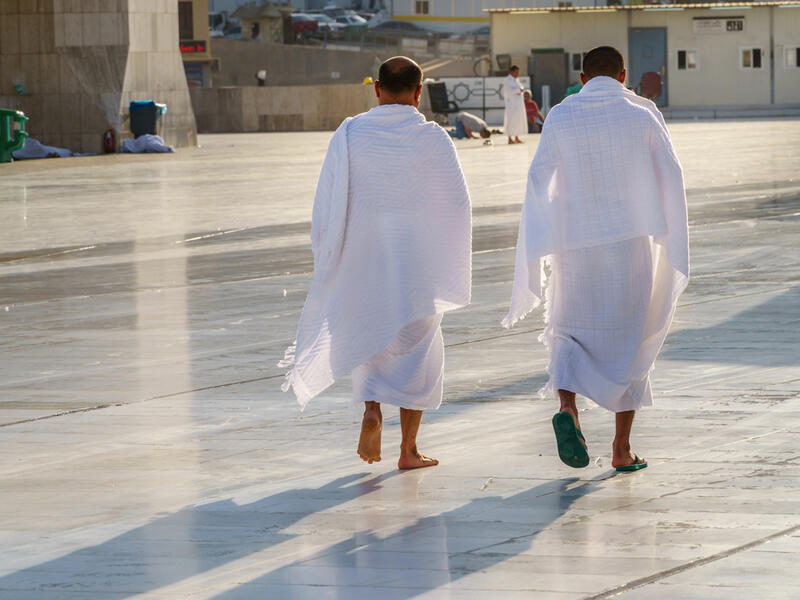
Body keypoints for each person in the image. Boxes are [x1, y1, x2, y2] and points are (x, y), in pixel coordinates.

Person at [280, 57, 472, 471]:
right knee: (419, 352)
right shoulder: (434, 138)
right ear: (418, 93)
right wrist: (447, 259)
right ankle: (408, 449)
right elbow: (457, 204)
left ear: (377, 89)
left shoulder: (350, 133)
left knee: (369, 339)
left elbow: (328, 198)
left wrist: (328, 252)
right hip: (416, 263)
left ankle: (371, 409)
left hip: (363, 259)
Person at [503, 46, 689, 472]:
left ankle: (568, 409)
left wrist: (544, 232)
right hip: (629, 242)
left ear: (582, 78)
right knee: (632, 338)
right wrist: (668, 231)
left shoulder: (562, 115)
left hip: (575, 243)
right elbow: (671, 174)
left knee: (569, 331)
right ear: (623, 75)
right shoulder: (642, 114)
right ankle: (621, 449)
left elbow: (538, 177)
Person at [503, 65, 526, 144]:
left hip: (518, 105)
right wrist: (519, 90)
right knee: (510, 121)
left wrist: (520, 89)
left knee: (517, 121)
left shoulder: (516, 80)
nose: (517, 74)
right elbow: (511, 90)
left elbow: (521, 87)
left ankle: (516, 137)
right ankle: (509, 138)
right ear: (511, 72)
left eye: (518, 72)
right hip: (511, 105)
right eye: (516, 72)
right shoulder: (507, 80)